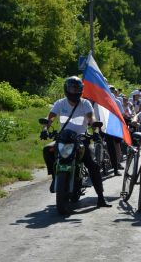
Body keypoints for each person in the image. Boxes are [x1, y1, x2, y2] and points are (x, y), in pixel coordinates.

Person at [41, 76, 111, 209]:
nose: (74, 91)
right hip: (62, 139)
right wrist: (45, 129)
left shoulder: (85, 104)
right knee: (47, 150)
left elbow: (91, 119)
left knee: (93, 165)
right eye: (72, 88)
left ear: (81, 90)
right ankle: (55, 177)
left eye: (77, 88)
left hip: (81, 139)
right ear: (67, 89)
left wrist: (95, 131)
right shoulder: (60, 103)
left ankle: (101, 198)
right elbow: (50, 118)